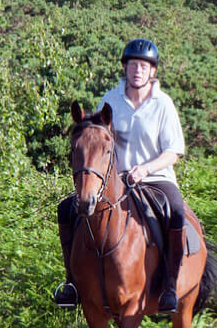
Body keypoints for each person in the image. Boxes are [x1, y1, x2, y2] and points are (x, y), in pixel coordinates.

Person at [54, 37, 188, 313]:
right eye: (132, 65)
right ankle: (71, 282)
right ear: (125, 68)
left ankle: (171, 287)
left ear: (152, 71)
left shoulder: (163, 104)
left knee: (176, 210)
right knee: (67, 208)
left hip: (155, 179)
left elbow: (173, 151)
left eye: (143, 66)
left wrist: (146, 169)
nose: (137, 70)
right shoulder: (110, 100)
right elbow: (97, 139)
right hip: (114, 182)